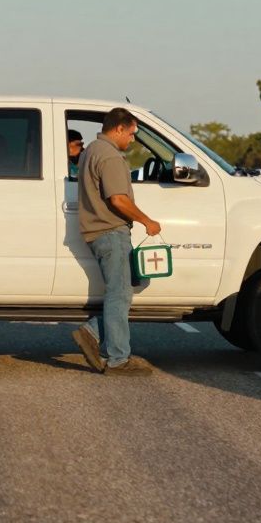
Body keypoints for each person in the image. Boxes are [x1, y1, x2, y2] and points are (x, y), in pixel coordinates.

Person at [70, 108, 161, 375]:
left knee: (134, 281)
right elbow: (118, 199)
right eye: (132, 134)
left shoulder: (92, 150)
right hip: (110, 232)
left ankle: (92, 331)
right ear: (119, 129)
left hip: (100, 232)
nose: (132, 140)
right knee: (119, 294)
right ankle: (119, 359)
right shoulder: (109, 155)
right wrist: (147, 221)